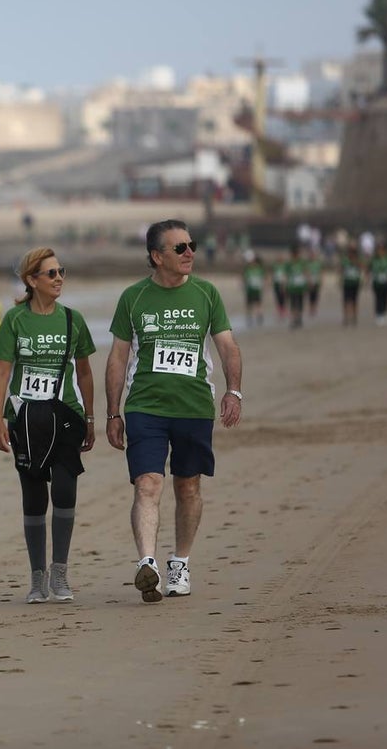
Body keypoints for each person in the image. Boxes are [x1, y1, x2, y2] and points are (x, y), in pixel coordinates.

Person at [104, 219, 243, 602]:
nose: (189, 253)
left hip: (194, 406)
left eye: (191, 245)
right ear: (156, 256)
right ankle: (146, 563)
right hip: (145, 406)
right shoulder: (133, 298)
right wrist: (113, 413)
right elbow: (118, 357)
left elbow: (228, 347)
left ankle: (179, 562)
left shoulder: (207, 294)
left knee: (188, 486)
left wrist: (234, 392)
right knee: (147, 483)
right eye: (179, 248)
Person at [0, 248, 96, 604]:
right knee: (34, 497)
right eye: (51, 274)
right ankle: (37, 577)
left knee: (65, 492)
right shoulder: (15, 319)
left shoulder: (73, 319)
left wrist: (92, 418)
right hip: (25, 418)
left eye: (61, 271)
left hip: (66, 416)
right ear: (32, 280)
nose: (59, 278)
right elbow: (2, 372)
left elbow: (84, 371)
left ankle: (60, 572)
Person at [368, 243, 387, 326]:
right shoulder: (374, 259)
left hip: (386, 282)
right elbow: (369, 269)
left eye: (382, 250)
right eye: (379, 250)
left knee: (385, 299)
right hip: (377, 283)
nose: (380, 251)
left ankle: (384, 314)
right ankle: (378, 315)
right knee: (378, 299)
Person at [339, 244, 365, 326]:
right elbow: (340, 270)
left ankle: (354, 317)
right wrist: (340, 279)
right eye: (350, 252)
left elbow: (363, 268)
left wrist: (356, 263)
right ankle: (346, 317)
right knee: (346, 301)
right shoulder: (345, 260)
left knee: (354, 301)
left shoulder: (358, 260)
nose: (351, 254)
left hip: (355, 283)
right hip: (346, 283)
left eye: (353, 252)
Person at [284, 244, 309, 329]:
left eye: (296, 253)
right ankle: (294, 319)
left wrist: (308, 283)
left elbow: (306, 273)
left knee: (300, 303)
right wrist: (285, 285)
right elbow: (286, 275)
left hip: (300, 287)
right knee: (293, 304)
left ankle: (299, 318)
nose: (295, 255)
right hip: (292, 287)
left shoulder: (302, 263)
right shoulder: (289, 264)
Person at [240, 251, 266, 328]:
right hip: (250, 289)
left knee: (258, 303)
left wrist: (264, 285)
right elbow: (244, 278)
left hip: (257, 289)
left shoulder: (259, 269)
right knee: (249, 305)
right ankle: (249, 318)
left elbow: (263, 278)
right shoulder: (247, 269)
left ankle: (259, 316)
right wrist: (243, 284)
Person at [305, 247, 324, 318]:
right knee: (310, 296)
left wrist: (321, 280)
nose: (312, 256)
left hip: (316, 281)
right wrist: (308, 281)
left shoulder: (317, 264)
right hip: (310, 282)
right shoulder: (308, 264)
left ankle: (314, 308)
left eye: (313, 255)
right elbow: (306, 273)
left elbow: (320, 272)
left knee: (315, 296)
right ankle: (311, 309)